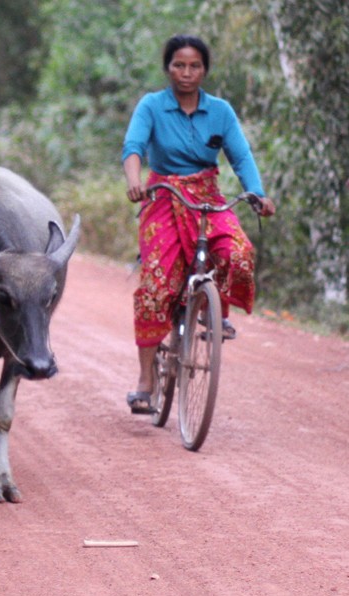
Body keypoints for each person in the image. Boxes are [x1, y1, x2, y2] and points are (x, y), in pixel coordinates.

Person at [122, 34, 276, 415]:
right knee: (157, 283)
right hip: (162, 196)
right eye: (179, 65)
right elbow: (133, 148)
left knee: (238, 252)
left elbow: (240, 156)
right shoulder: (152, 106)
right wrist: (134, 181)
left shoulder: (220, 111)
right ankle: (145, 380)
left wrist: (256, 193)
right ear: (168, 68)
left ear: (205, 70)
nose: (186, 73)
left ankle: (214, 309)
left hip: (207, 195)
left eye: (194, 66)